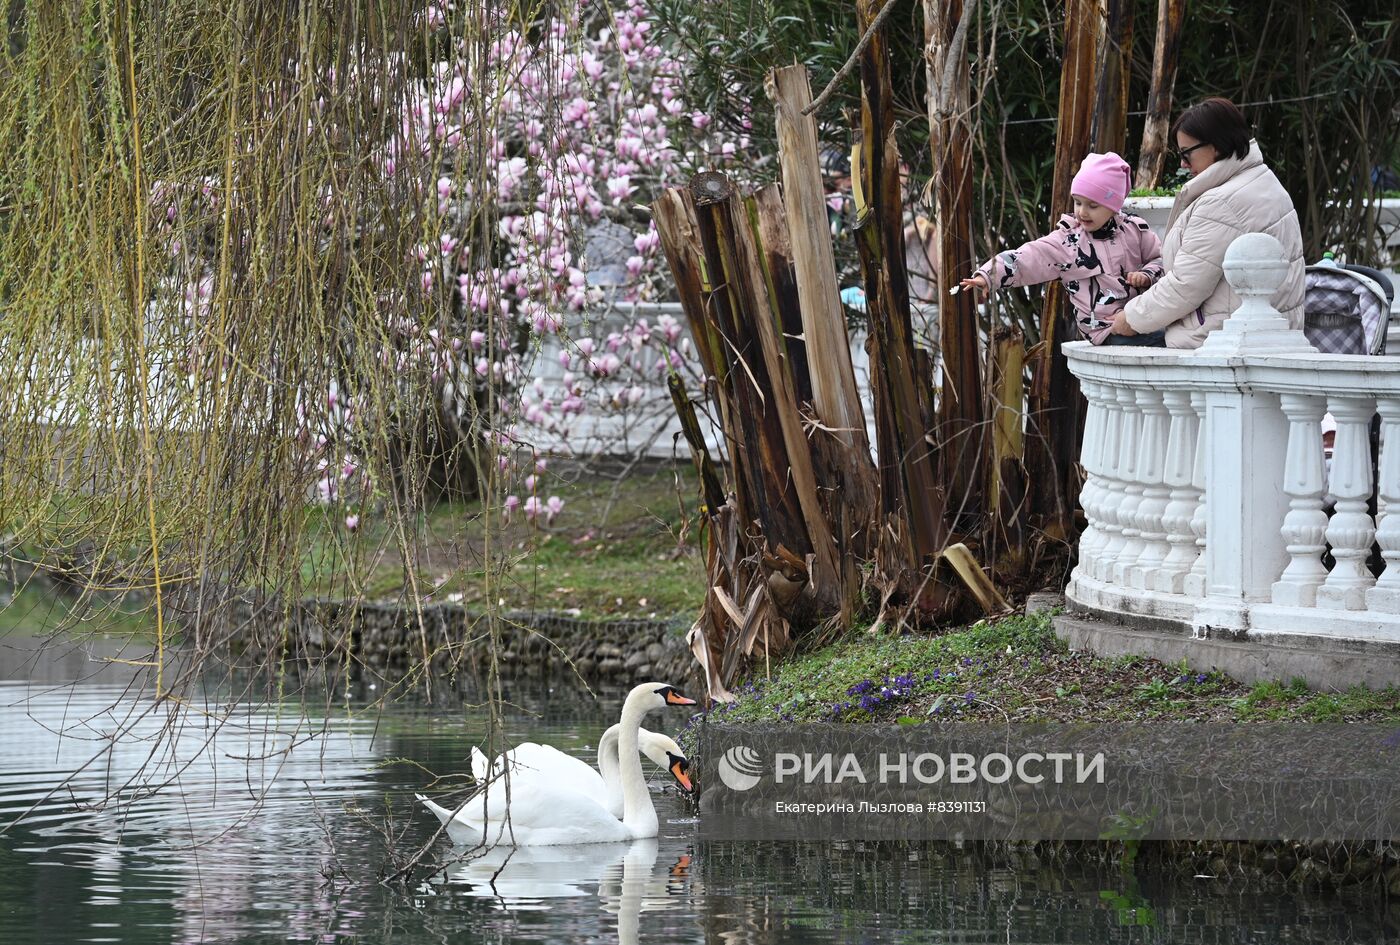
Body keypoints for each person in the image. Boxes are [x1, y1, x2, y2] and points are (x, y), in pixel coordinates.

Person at [1110, 97, 1305, 348]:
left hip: (1220, 339)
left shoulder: (1222, 202)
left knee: (1115, 339)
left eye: (1186, 154)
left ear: (1216, 146)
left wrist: (1130, 317)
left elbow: (1185, 286)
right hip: (1269, 333)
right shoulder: (1264, 182)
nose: (1182, 164)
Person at [960, 152, 1165, 346]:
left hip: (1143, 317)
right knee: (1166, 342)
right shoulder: (1069, 242)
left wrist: (1147, 275)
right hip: (1105, 329)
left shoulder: (1135, 230)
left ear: (1113, 205)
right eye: (1077, 202)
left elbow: (1161, 260)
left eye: (1093, 206)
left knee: (1178, 334)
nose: (1082, 212)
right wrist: (988, 275)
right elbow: (1030, 256)